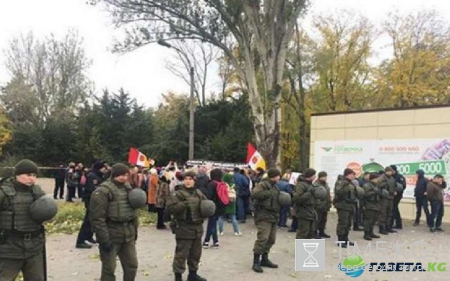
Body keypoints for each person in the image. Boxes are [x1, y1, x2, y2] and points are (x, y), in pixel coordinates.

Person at [0, 159, 56, 280]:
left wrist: (48, 216)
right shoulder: (3, 192)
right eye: (28, 175)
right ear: (17, 175)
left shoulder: (37, 192)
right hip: (9, 250)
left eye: (34, 175)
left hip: (34, 248)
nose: (32, 178)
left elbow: (46, 213)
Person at [90, 163, 139, 281]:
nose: (123, 177)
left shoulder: (128, 188)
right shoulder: (103, 191)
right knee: (109, 269)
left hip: (128, 234)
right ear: (114, 175)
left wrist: (134, 231)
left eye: (125, 175)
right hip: (111, 233)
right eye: (120, 175)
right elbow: (97, 218)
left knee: (132, 265)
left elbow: (133, 212)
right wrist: (104, 239)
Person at [166, 171, 208, 281]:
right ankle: (178, 277)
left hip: (197, 228)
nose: (188, 181)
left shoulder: (198, 193)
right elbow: (170, 209)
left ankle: (193, 275)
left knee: (195, 254)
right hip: (184, 227)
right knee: (181, 254)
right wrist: (184, 204)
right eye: (186, 179)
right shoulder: (178, 194)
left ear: (195, 181)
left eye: (190, 179)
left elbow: (206, 205)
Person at [251, 168, 281, 273]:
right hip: (263, 215)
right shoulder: (263, 185)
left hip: (273, 215)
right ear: (274, 176)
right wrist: (268, 193)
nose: (279, 177)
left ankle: (264, 258)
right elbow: (254, 194)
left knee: (271, 239)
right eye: (278, 175)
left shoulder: (275, 186)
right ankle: (255, 261)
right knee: (263, 238)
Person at [76, 161, 107, 249]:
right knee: (87, 221)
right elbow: (94, 190)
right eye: (103, 168)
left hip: (95, 202)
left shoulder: (97, 176)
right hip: (91, 202)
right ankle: (80, 241)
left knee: (92, 221)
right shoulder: (92, 176)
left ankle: (89, 237)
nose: (105, 170)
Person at [334, 168, 357, 247]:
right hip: (342, 205)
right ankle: (340, 241)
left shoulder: (351, 183)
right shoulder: (341, 182)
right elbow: (339, 192)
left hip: (350, 205)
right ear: (347, 174)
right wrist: (346, 186)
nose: (353, 176)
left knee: (348, 223)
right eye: (351, 174)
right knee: (342, 223)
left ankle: (345, 239)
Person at [202, 169, 225, 249]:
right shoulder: (221, 183)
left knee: (211, 224)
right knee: (213, 224)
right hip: (220, 206)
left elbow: (209, 196)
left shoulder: (211, 184)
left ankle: (207, 241)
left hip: (213, 206)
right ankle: (215, 241)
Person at [293, 169, 317, 239]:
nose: (315, 176)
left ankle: (305, 249)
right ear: (310, 176)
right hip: (303, 211)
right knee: (303, 232)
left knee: (310, 232)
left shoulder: (311, 184)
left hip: (311, 211)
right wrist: (309, 193)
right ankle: (299, 249)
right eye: (314, 175)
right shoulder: (301, 185)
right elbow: (296, 199)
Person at [377, 167, 397, 234]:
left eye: (390, 171)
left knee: (389, 213)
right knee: (383, 213)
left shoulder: (392, 178)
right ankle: (381, 229)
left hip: (391, 197)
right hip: (384, 198)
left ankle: (388, 227)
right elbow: (378, 186)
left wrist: (394, 191)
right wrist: (384, 185)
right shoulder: (382, 178)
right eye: (388, 171)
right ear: (385, 171)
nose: (389, 172)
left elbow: (394, 186)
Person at [361, 173, 381, 240]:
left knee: (374, 219)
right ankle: (366, 234)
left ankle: (371, 232)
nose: (377, 180)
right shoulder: (366, 185)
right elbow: (365, 194)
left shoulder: (376, 185)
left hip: (376, 204)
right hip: (369, 204)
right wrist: (374, 192)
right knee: (368, 220)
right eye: (376, 178)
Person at [315, 171, 332, 238]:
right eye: (324, 177)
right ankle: (315, 232)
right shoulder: (316, 184)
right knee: (317, 219)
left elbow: (328, 194)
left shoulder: (326, 184)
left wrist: (329, 202)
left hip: (325, 204)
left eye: (326, 177)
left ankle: (322, 231)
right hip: (319, 205)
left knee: (323, 219)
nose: (325, 178)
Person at [390, 165, 406, 229]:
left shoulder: (399, 177)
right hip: (391, 195)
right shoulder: (390, 177)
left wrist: (397, 191)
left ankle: (397, 224)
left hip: (397, 195)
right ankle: (397, 224)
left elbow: (403, 186)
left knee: (394, 209)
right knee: (394, 209)